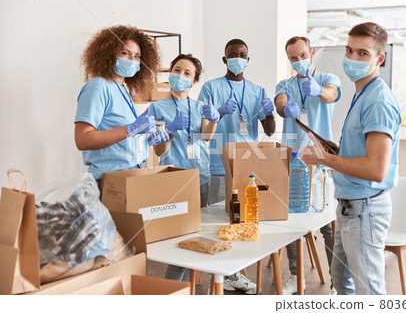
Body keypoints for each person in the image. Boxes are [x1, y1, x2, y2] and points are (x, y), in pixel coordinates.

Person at [302, 22, 401, 295]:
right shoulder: (362, 93)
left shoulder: (377, 101)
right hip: (348, 207)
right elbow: (363, 152)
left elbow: (376, 169)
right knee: (342, 281)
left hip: (365, 210)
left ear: (379, 59)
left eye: (363, 53)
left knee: (368, 291)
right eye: (349, 50)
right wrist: (337, 150)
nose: (352, 59)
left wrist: (325, 160)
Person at [197, 38, 275, 294]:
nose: (237, 57)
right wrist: (217, 112)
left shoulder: (257, 91)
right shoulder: (210, 88)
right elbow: (201, 128)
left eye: (242, 54)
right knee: (221, 223)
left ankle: (232, 274)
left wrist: (269, 113)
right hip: (219, 165)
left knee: (244, 221)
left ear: (248, 59)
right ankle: (223, 275)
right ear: (224, 59)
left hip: (248, 167)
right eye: (233, 54)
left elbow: (270, 130)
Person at [274, 36, 341, 295]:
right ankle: (295, 276)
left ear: (311, 52)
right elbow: (280, 102)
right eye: (293, 58)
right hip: (293, 161)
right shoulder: (286, 84)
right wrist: (284, 107)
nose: (299, 61)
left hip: (321, 162)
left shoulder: (327, 79)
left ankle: (337, 282)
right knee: (293, 222)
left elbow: (331, 95)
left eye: (302, 55)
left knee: (327, 224)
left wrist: (319, 91)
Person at [149, 53, 218, 282]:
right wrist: (169, 129)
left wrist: (215, 119)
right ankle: (171, 291)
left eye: (187, 73)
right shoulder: (158, 108)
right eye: (177, 70)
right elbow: (159, 151)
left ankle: (189, 291)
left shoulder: (200, 106)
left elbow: (206, 137)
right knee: (178, 244)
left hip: (201, 178)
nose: (180, 75)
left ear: (194, 81)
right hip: (173, 181)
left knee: (197, 238)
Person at [75, 25, 169, 192]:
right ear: (108, 54)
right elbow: (83, 140)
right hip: (109, 180)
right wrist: (130, 129)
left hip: (133, 174)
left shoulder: (122, 89)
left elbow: (118, 141)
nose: (132, 60)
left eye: (137, 56)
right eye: (125, 53)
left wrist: (145, 140)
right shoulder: (98, 87)